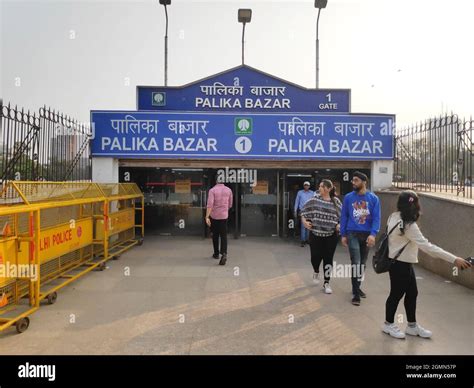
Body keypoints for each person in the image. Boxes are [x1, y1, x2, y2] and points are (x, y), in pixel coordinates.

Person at [382, 190, 471, 339]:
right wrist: (454, 259)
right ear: (414, 205)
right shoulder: (408, 225)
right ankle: (388, 324)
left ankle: (412, 326)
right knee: (396, 295)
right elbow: (428, 247)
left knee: (412, 294)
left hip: (401, 263)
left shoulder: (394, 216)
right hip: (400, 264)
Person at [340, 171, 381, 306]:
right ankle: (356, 294)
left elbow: (376, 218)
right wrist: (343, 234)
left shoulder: (373, 198)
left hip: (367, 235)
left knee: (362, 264)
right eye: (353, 180)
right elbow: (344, 216)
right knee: (356, 262)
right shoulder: (348, 197)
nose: (353, 182)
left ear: (364, 182)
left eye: (356, 180)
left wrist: (373, 234)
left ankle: (356, 287)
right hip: (352, 233)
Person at [301, 179, 342, 294]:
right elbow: (303, 211)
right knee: (315, 257)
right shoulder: (314, 200)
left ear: (328, 189)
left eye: (321, 186)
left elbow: (343, 217)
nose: (319, 188)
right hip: (315, 235)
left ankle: (326, 283)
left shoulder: (336, 202)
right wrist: (304, 221)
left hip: (331, 236)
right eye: (319, 186)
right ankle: (315, 271)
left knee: (328, 259)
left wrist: (339, 224)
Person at [205, 180, 233, 266]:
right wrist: (224, 210)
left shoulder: (212, 190)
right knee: (224, 235)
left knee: (215, 235)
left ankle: (216, 254)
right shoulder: (229, 190)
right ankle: (224, 253)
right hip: (224, 216)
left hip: (214, 217)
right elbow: (230, 204)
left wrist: (207, 216)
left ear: (216, 181)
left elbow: (210, 204)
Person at [294, 181, 314, 247]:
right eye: (305, 185)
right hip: (302, 210)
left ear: (309, 186)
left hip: (310, 211)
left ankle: (307, 240)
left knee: (308, 225)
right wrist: (295, 210)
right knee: (303, 226)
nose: (306, 186)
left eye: (307, 185)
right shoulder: (300, 192)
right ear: (303, 186)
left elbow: (314, 201)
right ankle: (303, 240)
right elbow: (297, 201)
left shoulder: (312, 193)